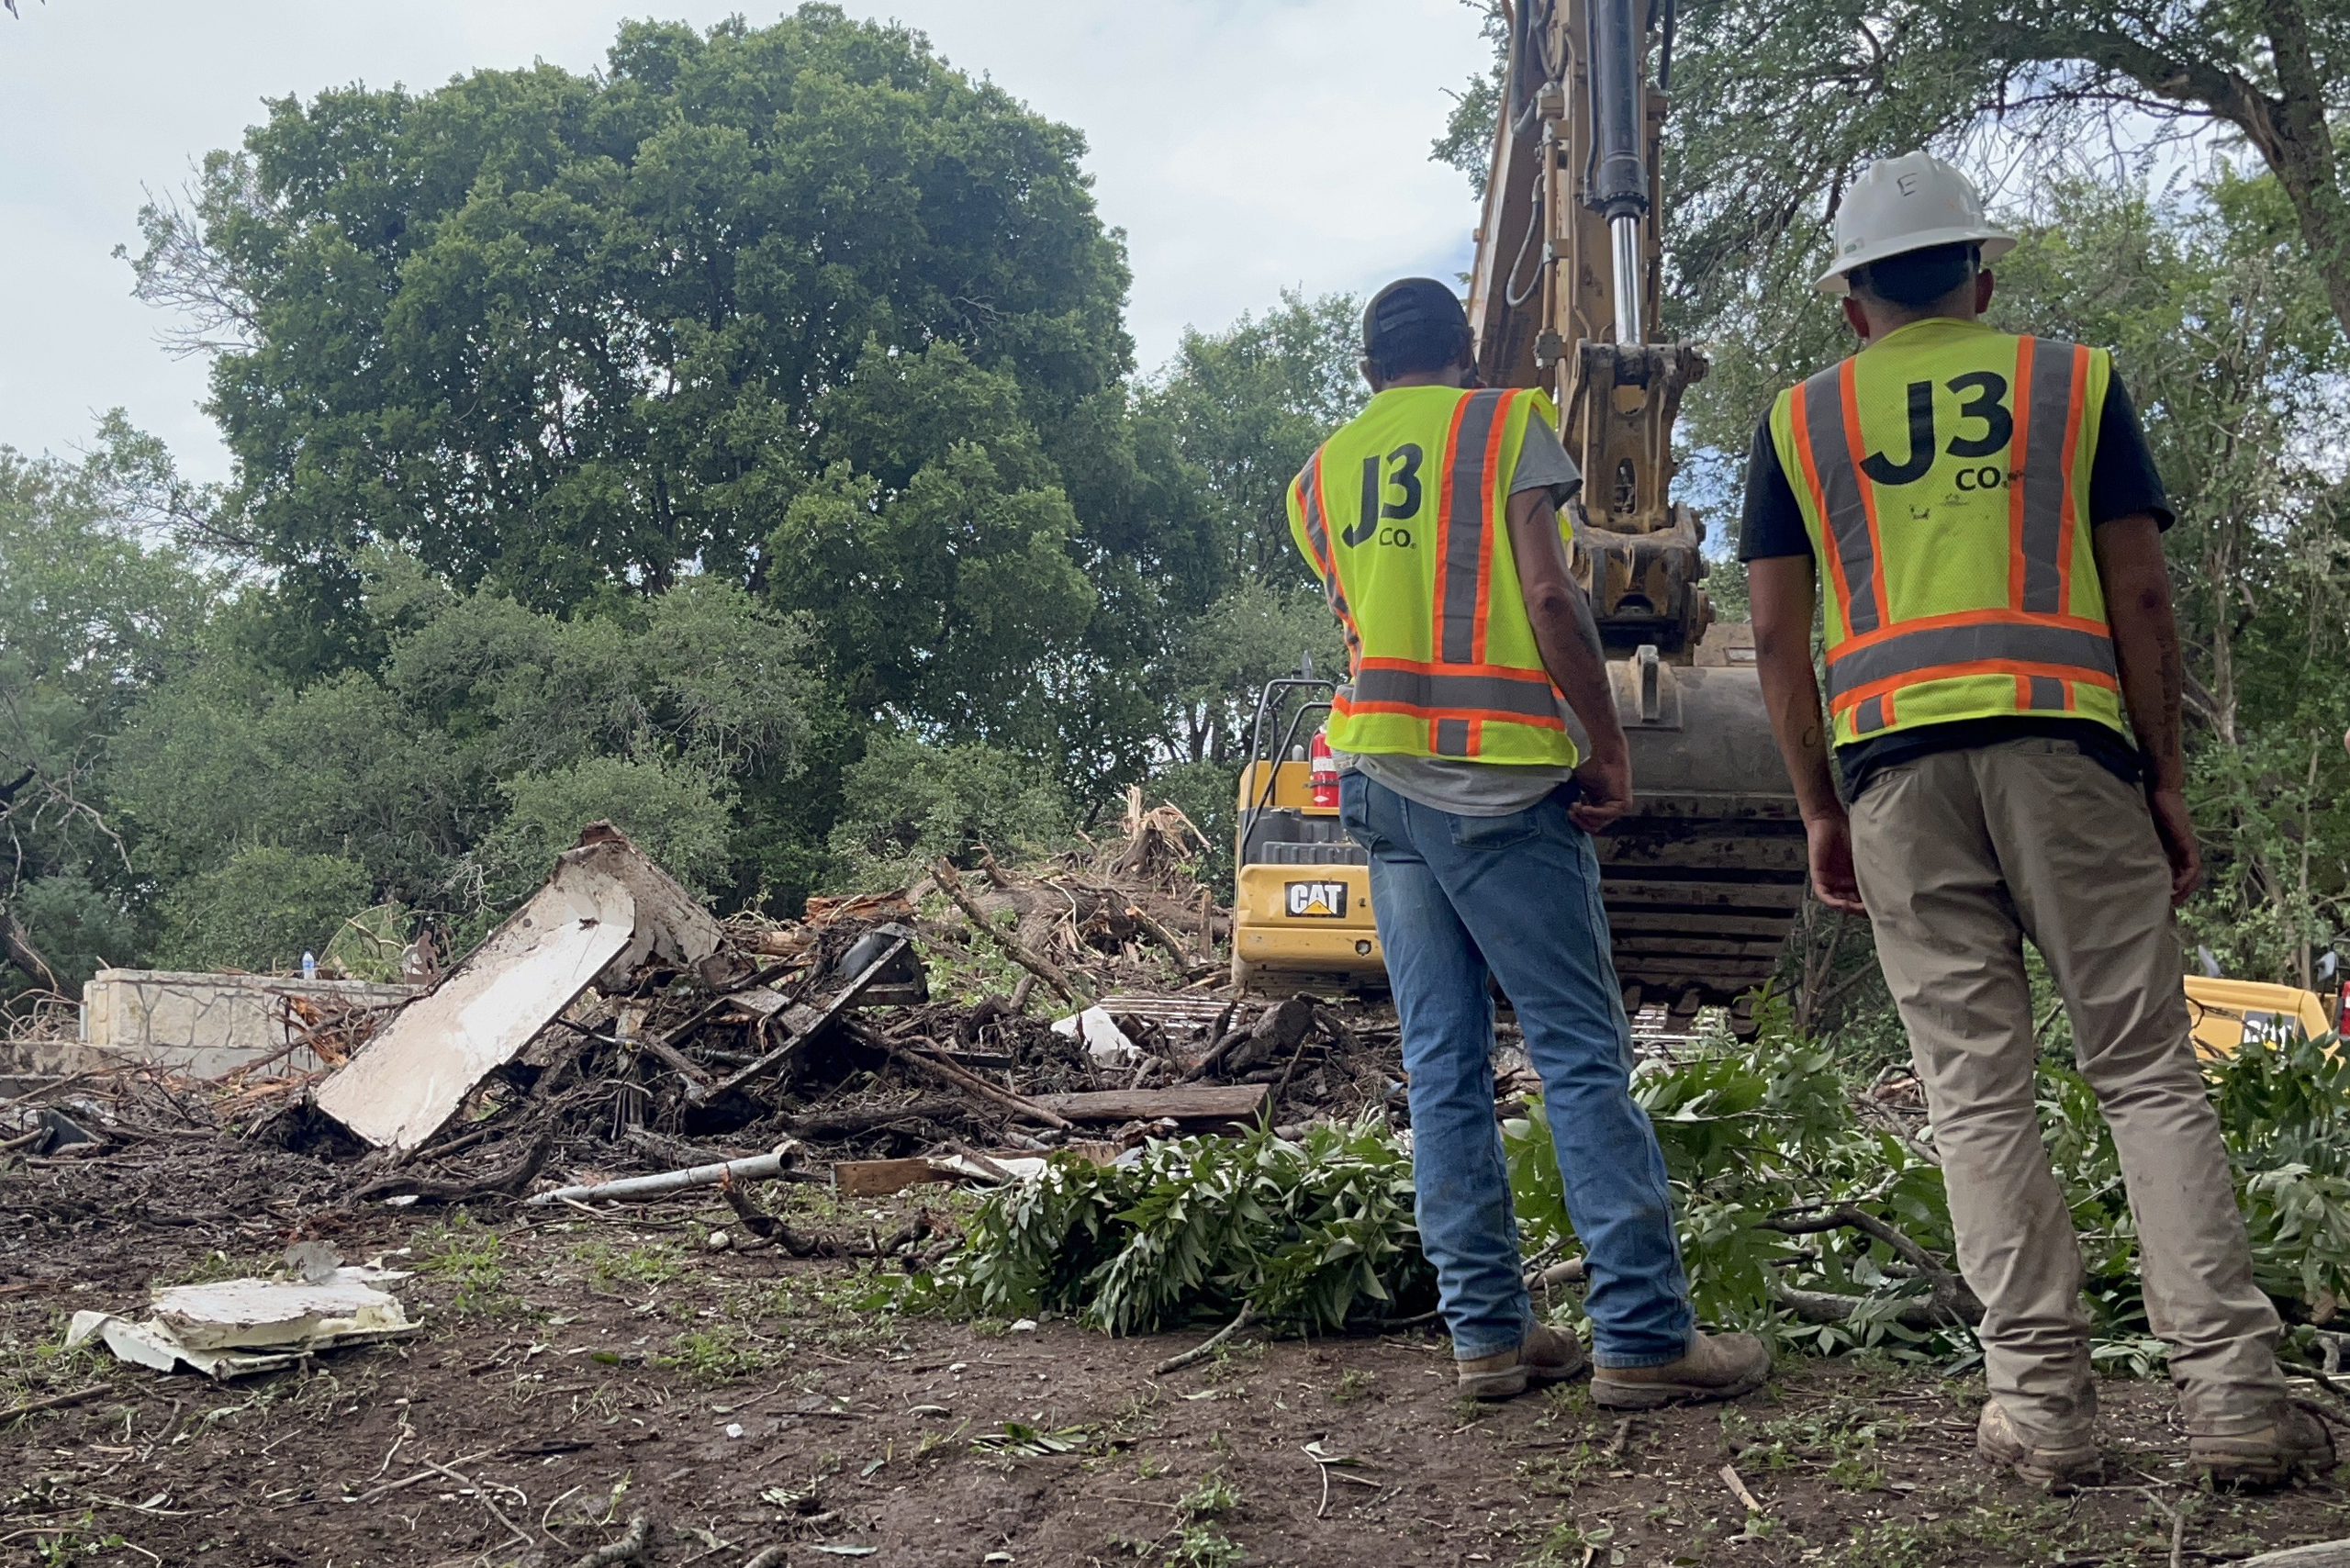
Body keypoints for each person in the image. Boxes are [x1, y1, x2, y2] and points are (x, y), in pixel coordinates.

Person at [1742, 152, 2331, 1487]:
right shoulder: (2076, 387)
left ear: (1850, 303)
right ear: (1981, 278)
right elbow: (2145, 601)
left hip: (1893, 777)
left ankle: (2043, 1408)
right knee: (2143, 1069)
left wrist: (1817, 808)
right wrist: (2165, 777)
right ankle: (2235, 1396)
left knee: (1973, 1089)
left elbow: (1779, 642)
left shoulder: (1799, 423)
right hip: (2070, 757)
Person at [1287, 276, 1771, 1407]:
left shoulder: (1317, 479)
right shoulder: (1506, 423)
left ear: (1366, 373)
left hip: (1382, 785)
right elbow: (1553, 601)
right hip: (1500, 784)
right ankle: (1644, 1336)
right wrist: (1606, 744)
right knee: (1580, 1054)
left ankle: (1489, 1339)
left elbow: (1364, 619)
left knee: (1442, 1067)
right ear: (1466, 351)